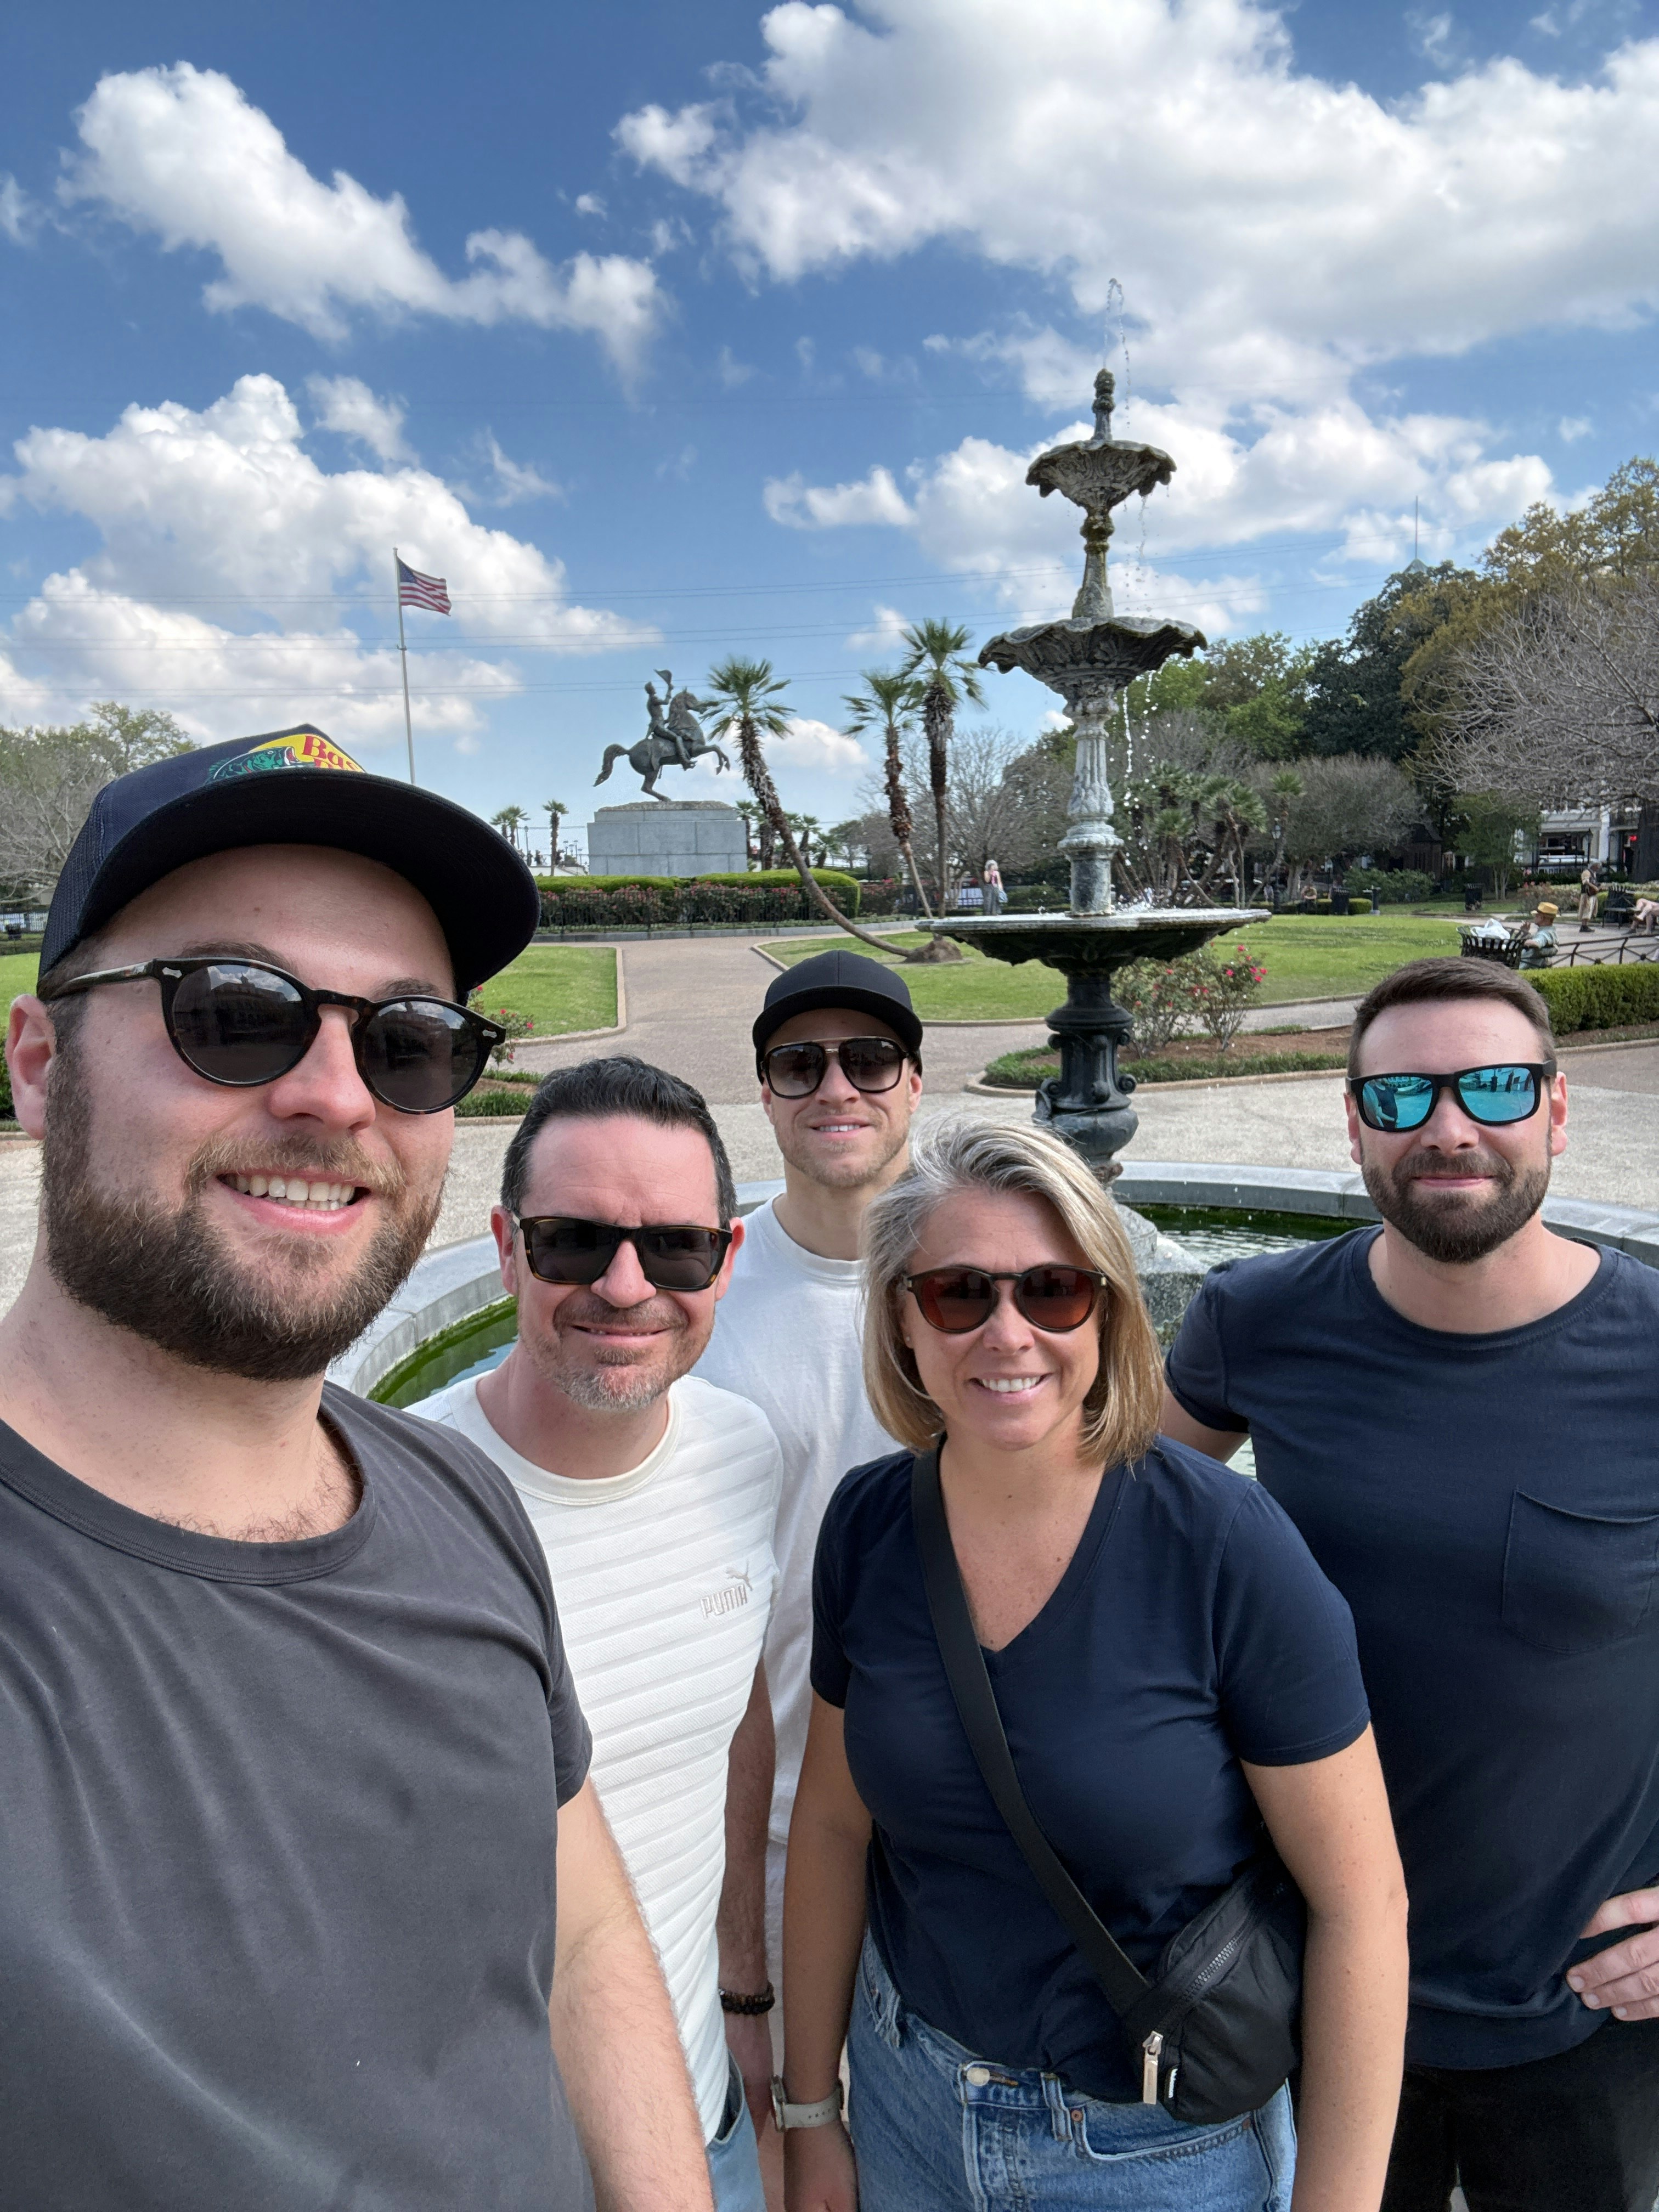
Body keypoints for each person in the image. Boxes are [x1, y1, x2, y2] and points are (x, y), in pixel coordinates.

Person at [0, 730, 714, 2212]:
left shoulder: (455, 1498)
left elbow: (580, 1936)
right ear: (40, 1061)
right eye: (234, 1012)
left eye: (410, 1041)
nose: (336, 1098)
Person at [780, 1118, 1407, 2212]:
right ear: (903, 1324)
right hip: (906, 2107)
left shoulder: (1224, 1546)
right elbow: (836, 1824)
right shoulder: (870, 1526)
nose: (1008, 1332)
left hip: (1157, 2153)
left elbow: (1363, 1903)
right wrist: (809, 2110)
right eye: (959, 1293)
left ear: (1108, 1312)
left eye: (1054, 1291)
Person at [1161, 956, 1659, 2212]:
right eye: (1402, 1098)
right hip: (1305, 1988)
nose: (1449, 1129)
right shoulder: (1258, 1320)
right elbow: (1118, 1537)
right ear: (1354, 1123)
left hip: (1584, 2019)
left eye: (1493, 1088)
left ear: (1555, 1109)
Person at [409, 1057, 782, 2211]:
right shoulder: (393, 1503)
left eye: (673, 1248)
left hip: (696, 2111)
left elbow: (736, 1731)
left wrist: (748, 2008)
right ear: (508, 1247)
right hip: (477, 2159)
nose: (626, 1287)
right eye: (574, 1241)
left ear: (725, 1257)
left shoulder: (745, 1452)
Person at [697, 950, 924, 2007]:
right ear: (766, 1097)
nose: (836, 1087)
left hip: (953, 1815)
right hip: (770, 1821)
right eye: (800, 1065)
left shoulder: (988, 1285)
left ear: (913, 1084)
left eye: (869, 1059)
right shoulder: (696, 1286)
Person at [1518, 899, 1558, 968]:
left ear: (1541, 918)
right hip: (1535, 963)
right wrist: (1526, 933)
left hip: (1525, 965)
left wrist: (1525, 943)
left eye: (1536, 915)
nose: (1535, 917)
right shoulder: (1551, 932)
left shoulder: (1543, 934)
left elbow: (1538, 942)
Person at [1577, 861, 1600, 929]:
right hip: (1586, 894)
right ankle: (1584, 926)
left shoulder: (1594, 874)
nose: (1598, 868)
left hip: (1592, 895)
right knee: (1586, 909)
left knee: (1590, 910)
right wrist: (1594, 887)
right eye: (1597, 866)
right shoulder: (1587, 872)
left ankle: (1585, 925)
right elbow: (1585, 882)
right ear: (1594, 866)